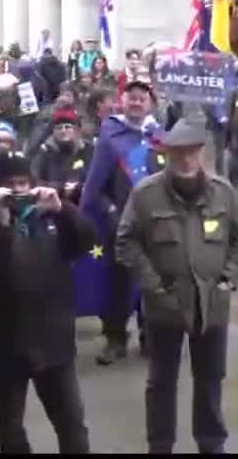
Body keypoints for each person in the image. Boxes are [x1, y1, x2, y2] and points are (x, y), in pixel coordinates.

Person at [116, 119, 238, 453]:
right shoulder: (146, 194)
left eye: (191, 152)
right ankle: (160, 445)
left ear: (202, 153)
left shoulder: (223, 191)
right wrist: (153, 286)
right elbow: (126, 243)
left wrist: (228, 279)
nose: (185, 160)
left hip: (212, 305)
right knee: (161, 383)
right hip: (164, 307)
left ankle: (211, 443)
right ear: (166, 154)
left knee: (210, 381)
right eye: (177, 153)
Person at [0, 151, 94, 453]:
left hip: (53, 341)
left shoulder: (49, 216)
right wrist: (0, 225)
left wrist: (63, 210)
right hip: (5, 344)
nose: (18, 190)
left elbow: (85, 243)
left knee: (71, 423)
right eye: (10, 184)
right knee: (11, 429)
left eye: (23, 182)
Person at [80, 79, 165, 365]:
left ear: (150, 103)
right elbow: (95, 185)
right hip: (120, 223)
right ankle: (115, 339)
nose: (137, 102)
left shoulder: (160, 136)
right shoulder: (110, 134)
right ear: (122, 102)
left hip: (155, 222)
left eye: (142, 98)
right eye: (132, 98)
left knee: (154, 281)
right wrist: (110, 212)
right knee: (119, 282)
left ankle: (150, 335)